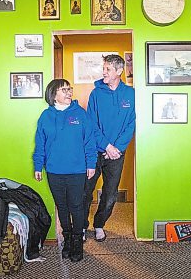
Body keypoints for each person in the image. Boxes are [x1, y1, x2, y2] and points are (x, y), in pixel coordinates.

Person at [33, 79, 97, 262]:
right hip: (54, 171)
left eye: (70, 89)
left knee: (76, 206)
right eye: (64, 90)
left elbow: (89, 141)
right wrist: (39, 165)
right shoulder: (45, 116)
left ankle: (77, 241)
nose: (69, 92)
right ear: (53, 95)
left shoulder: (80, 114)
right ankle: (67, 238)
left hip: (77, 170)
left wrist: (91, 163)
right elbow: (40, 144)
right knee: (62, 207)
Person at [83, 54, 136, 242]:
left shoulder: (131, 94)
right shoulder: (96, 94)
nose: (103, 72)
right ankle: (82, 226)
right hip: (93, 152)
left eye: (107, 69)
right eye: (103, 68)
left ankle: (99, 225)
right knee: (85, 191)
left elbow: (131, 124)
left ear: (119, 71)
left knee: (110, 194)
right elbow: (91, 124)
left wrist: (116, 148)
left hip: (117, 154)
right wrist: (106, 145)